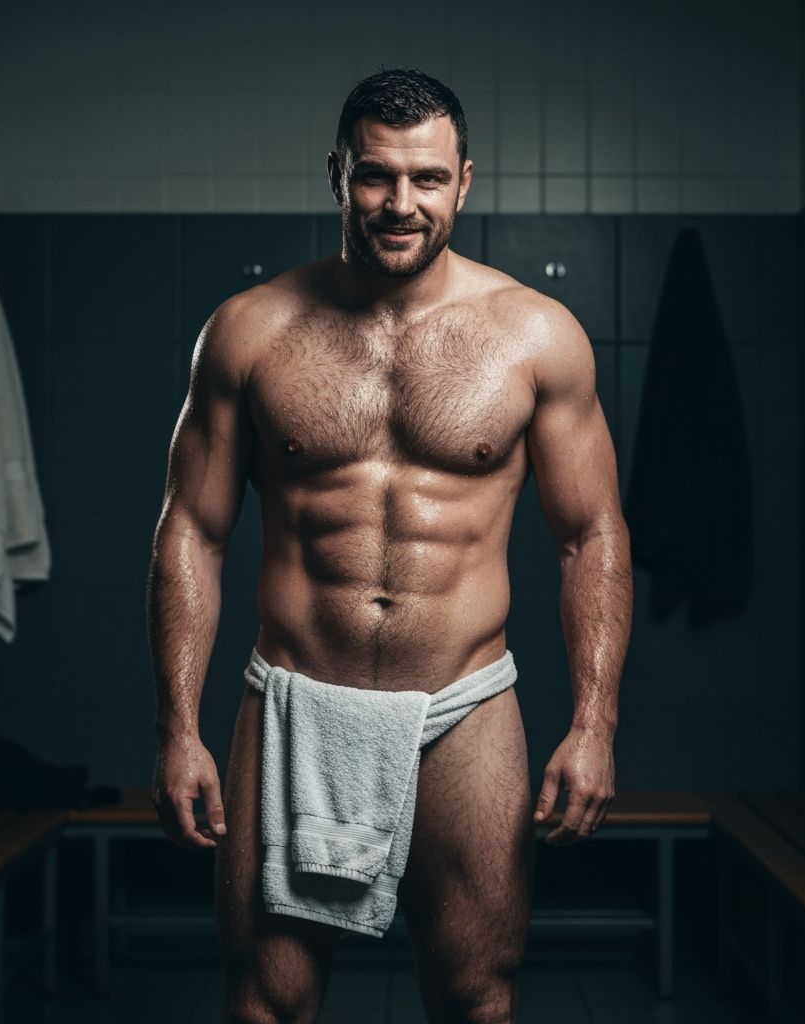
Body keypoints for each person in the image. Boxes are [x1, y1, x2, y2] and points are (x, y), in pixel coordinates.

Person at [147, 68, 633, 1024]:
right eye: (375, 176)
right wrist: (176, 728)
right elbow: (191, 531)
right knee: (266, 1001)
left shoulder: (537, 336)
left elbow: (591, 535)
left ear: (464, 181)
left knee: (476, 995)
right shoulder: (249, 333)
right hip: (291, 700)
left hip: (465, 703)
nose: (400, 204)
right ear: (337, 175)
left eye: (426, 178)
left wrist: (596, 723)